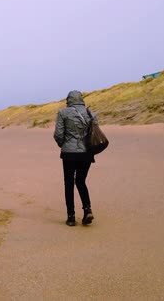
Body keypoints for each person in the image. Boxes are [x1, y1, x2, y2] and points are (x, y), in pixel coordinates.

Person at [53, 90, 96, 226]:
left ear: (69, 100)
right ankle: (87, 209)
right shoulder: (90, 113)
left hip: (69, 154)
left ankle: (71, 217)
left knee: (69, 184)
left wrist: (64, 145)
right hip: (87, 153)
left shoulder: (63, 113)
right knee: (81, 181)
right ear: (81, 99)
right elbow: (94, 133)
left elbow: (58, 134)